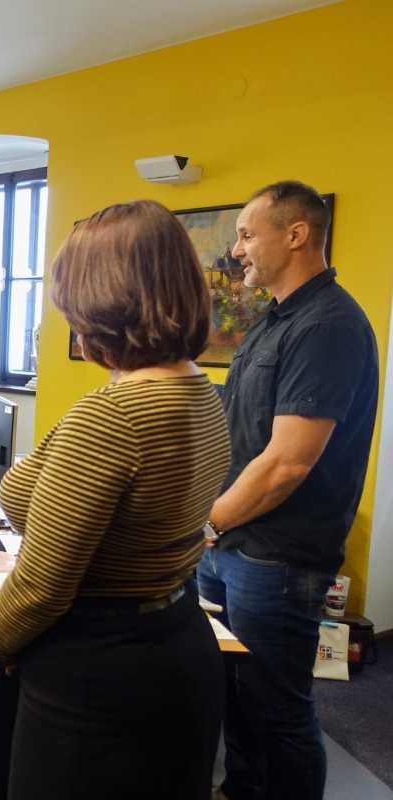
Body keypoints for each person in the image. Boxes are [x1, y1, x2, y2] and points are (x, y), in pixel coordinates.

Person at [0, 200, 231, 799]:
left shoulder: (111, 417)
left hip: (99, 669)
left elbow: (44, 581)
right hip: (178, 642)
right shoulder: (203, 393)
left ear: (103, 307)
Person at [199, 181, 379, 800]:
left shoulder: (328, 326)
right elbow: (243, 425)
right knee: (235, 692)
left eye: (248, 234)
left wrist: (208, 524)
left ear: (296, 234)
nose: (237, 250)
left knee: (276, 706)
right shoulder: (274, 320)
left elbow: (287, 464)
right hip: (231, 545)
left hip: (275, 556)